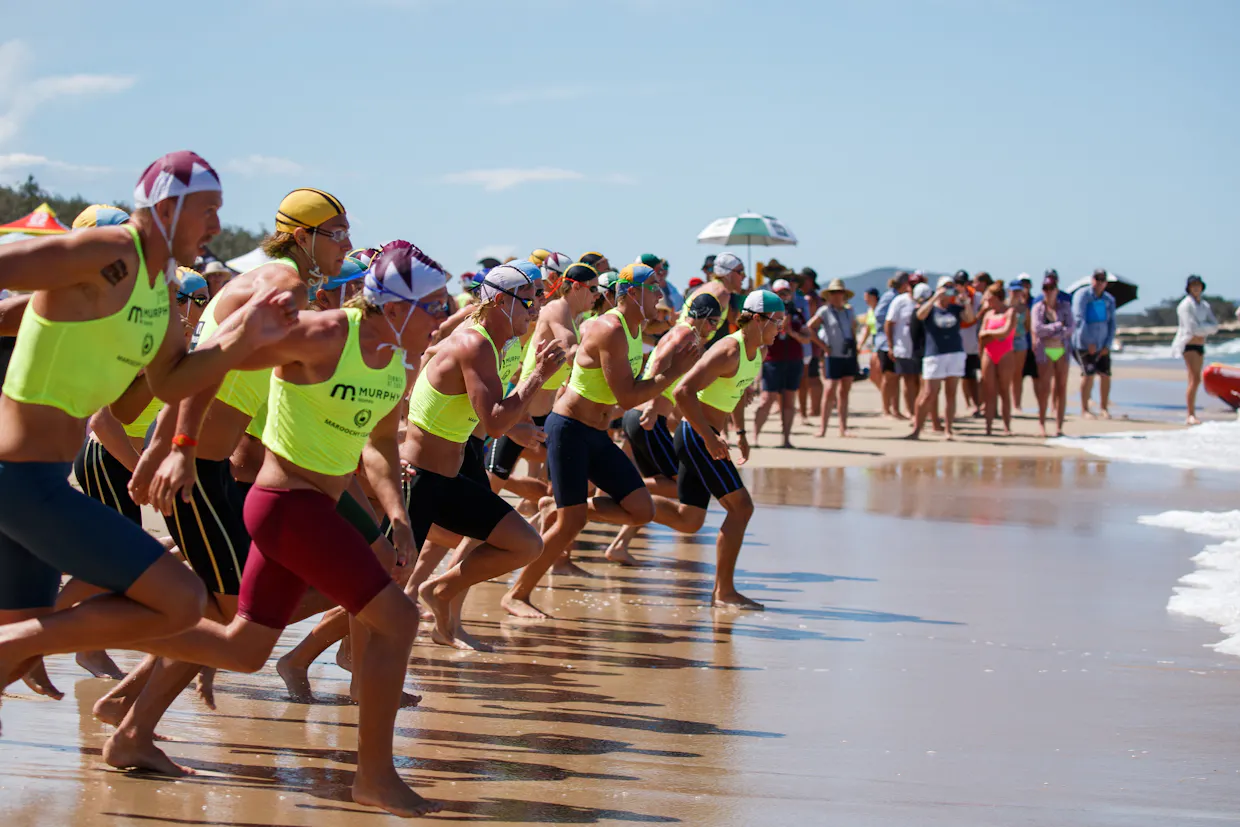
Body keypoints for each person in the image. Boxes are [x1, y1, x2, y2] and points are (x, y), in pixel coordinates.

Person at [0, 150, 297, 729]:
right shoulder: (109, 252)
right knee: (182, 599)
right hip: (20, 481)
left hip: (35, 483)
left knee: (23, 645)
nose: (215, 227)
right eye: (208, 211)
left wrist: (242, 336)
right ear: (167, 207)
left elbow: (173, 379)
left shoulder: (158, 289)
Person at [502, 264, 698, 619]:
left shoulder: (636, 328)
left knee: (642, 510)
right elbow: (626, 397)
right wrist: (673, 373)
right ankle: (517, 593)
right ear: (633, 293)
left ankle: (558, 509)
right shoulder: (612, 329)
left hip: (596, 433)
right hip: (570, 430)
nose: (660, 294)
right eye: (654, 288)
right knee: (570, 524)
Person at [408, 263, 566, 648]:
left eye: (539, 300)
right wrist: (537, 377)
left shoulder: (504, 343)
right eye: (529, 301)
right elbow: (492, 418)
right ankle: (307, 656)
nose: (536, 309)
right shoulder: (475, 342)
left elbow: (484, 407)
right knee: (382, 582)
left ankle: (441, 597)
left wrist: (516, 427)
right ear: (499, 301)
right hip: (418, 477)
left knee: (525, 543)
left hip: (457, 467)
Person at [659, 289, 786, 609]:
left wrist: (740, 432)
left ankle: (589, 506)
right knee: (741, 507)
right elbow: (684, 391)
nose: (780, 329)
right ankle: (724, 592)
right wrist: (709, 437)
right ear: (757, 320)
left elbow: (738, 393)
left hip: (707, 433)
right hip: (696, 433)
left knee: (689, 518)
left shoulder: (757, 351)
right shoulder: (729, 349)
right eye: (777, 321)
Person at [608, 292, 724, 565]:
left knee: (661, 487)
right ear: (701, 317)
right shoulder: (685, 335)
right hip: (647, 418)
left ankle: (619, 544)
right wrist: (650, 404)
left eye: (718, 325)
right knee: (675, 486)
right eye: (712, 323)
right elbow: (658, 362)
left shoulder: (688, 336)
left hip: (645, 418)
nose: (714, 329)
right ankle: (615, 489)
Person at [907, 277, 974, 440]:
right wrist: (935, 297)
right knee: (929, 393)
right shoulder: (931, 308)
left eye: (951, 287)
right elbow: (920, 315)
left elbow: (970, 319)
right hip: (934, 354)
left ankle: (948, 429)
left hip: (955, 353)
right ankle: (917, 429)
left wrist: (966, 302)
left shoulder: (955, 308)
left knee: (951, 393)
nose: (949, 290)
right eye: (946, 287)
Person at [753, 278, 810, 448]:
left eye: (786, 293)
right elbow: (767, 335)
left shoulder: (797, 313)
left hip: (793, 360)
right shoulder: (767, 315)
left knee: (789, 400)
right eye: (780, 293)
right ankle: (755, 437)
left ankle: (786, 439)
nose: (784, 296)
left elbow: (807, 337)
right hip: (773, 361)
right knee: (767, 399)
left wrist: (794, 333)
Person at [809, 279, 859, 437]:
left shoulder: (849, 311)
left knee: (845, 391)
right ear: (829, 295)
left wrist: (855, 350)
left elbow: (852, 330)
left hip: (848, 355)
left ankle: (843, 428)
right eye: (834, 293)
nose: (837, 295)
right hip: (832, 356)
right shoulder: (824, 311)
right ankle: (822, 428)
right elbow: (810, 328)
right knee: (829, 390)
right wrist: (823, 347)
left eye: (840, 292)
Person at [1031, 272, 1075, 437]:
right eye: (1045, 288)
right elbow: (1038, 329)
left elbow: (1070, 328)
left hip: (1061, 349)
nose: (1048, 291)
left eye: (1051, 288)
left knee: (1061, 387)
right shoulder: (1038, 307)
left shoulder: (1065, 306)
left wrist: (1054, 331)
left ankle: (1059, 426)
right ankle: (1042, 423)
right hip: (1045, 350)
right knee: (1045, 388)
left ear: (1057, 289)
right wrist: (1057, 327)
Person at [1173, 274, 1219, 425]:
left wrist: (1203, 331)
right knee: (1194, 378)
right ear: (1188, 287)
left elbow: (1215, 325)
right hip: (1188, 344)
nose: (1196, 288)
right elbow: (1191, 328)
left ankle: (1192, 412)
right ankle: (1190, 414)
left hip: (1200, 344)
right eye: (1193, 285)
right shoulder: (1185, 305)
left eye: (1198, 285)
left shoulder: (1204, 305)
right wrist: (1203, 330)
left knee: (1195, 379)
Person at [1072, 268, 1117, 419]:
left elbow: (1112, 323)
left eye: (1102, 280)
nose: (1099, 283)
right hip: (1085, 343)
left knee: (1105, 375)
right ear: (1092, 279)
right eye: (1097, 279)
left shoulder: (1109, 299)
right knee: (1088, 375)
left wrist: (1107, 344)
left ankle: (1104, 408)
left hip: (1103, 342)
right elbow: (1079, 319)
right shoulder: (1082, 295)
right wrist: (1089, 341)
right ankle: (1085, 409)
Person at [977, 283, 1016, 436]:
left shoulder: (1010, 312)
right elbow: (981, 335)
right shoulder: (988, 314)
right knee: (989, 391)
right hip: (989, 353)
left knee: (1004, 390)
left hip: (1005, 353)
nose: (987, 301)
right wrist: (991, 334)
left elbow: (1006, 332)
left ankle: (1007, 426)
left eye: (989, 297)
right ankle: (988, 427)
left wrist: (989, 333)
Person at [885, 276, 921, 420]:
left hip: (920, 348)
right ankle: (911, 411)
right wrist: (890, 346)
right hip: (903, 347)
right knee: (908, 380)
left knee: (920, 381)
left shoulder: (924, 300)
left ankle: (921, 409)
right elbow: (889, 323)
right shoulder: (900, 301)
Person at [875, 272, 909, 417]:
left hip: (895, 342)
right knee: (889, 378)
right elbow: (879, 314)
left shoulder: (899, 296)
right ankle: (886, 408)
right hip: (885, 343)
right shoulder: (890, 297)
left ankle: (895, 409)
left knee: (896, 377)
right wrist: (892, 323)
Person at [954, 270, 982, 416]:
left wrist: (966, 302)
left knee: (972, 375)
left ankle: (977, 403)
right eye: (958, 283)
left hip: (972, 342)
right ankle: (968, 403)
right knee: (963, 377)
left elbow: (971, 318)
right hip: (957, 342)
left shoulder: (976, 296)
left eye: (963, 283)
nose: (960, 286)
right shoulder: (952, 297)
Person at [1007, 278, 1033, 411]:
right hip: (1006, 341)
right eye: (1014, 291)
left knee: (1018, 374)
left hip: (1020, 340)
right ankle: (1005, 403)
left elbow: (1028, 326)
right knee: (1006, 373)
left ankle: (1017, 403)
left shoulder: (1024, 308)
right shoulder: (1005, 306)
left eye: (1019, 291)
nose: (1017, 293)